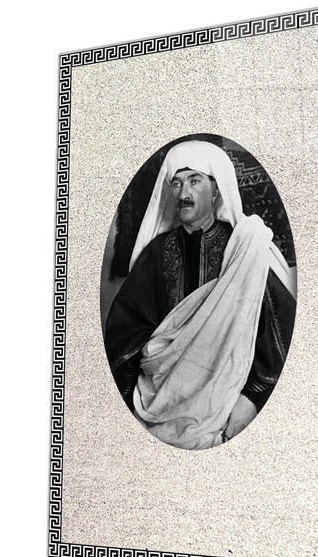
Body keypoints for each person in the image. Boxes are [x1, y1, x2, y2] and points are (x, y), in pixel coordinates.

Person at [104, 140, 296, 450]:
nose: (183, 193)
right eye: (176, 183)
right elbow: (126, 331)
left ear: (216, 190)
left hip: (229, 400)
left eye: (195, 181)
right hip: (160, 398)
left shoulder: (244, 249)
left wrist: (251, 399)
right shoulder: (157, 252)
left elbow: (279, 329)